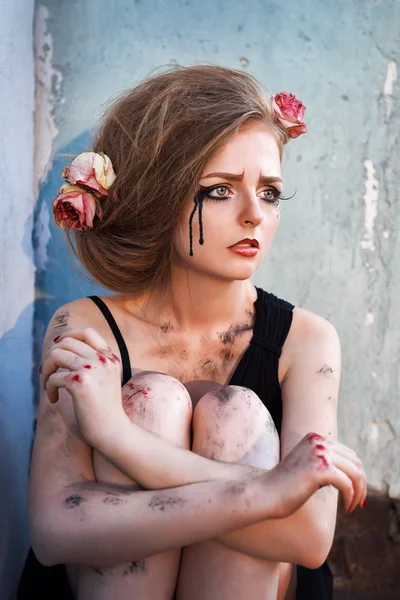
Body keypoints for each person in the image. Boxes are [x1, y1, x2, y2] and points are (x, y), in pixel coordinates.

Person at [24, 65, 366, 600]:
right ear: (162, 196)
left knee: (237, 415)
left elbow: (309, 536)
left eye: (271, 193)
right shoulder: (88, 329)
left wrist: (117, 436)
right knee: (152, 401)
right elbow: (53, 531)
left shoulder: (307, 342)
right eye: (220, 190)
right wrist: (266, 492)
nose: (254, 215)